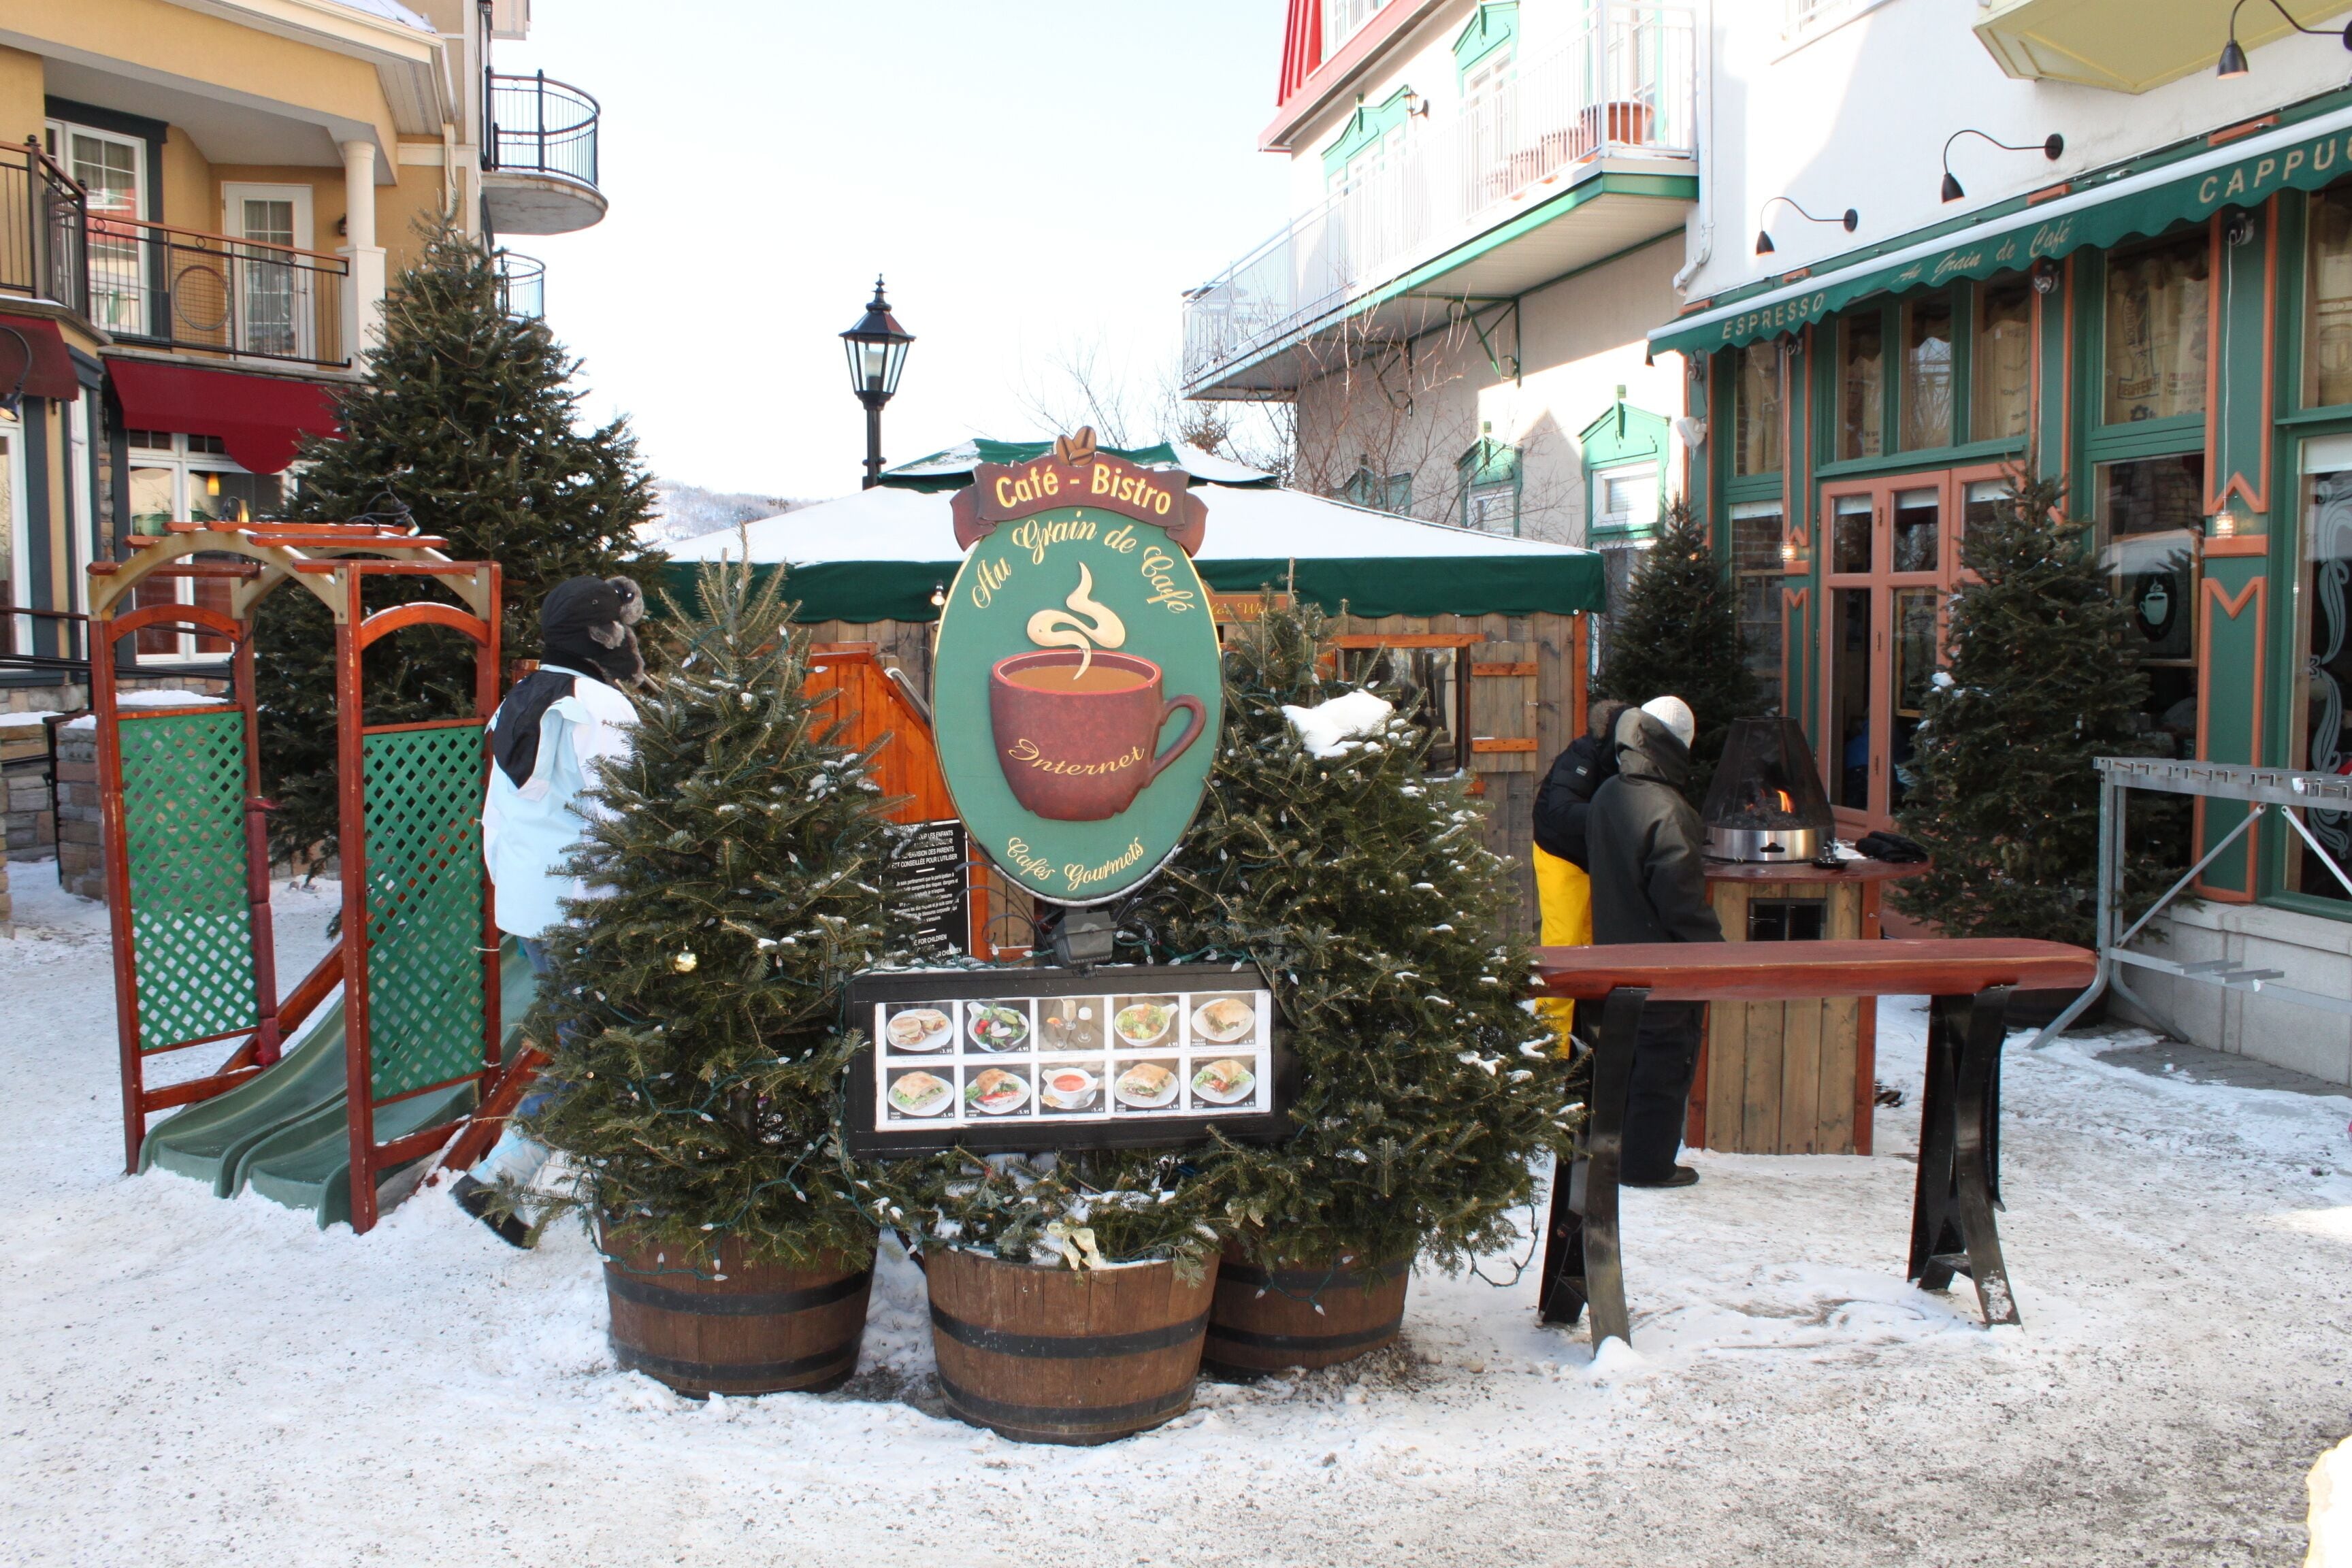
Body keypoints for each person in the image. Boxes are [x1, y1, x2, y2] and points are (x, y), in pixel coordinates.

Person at [453, 575, 645, 1245]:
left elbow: (495, 818)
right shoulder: (601, 708)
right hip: (585, 909)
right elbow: (619, 815)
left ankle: (510, 1183)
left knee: (587, 1047)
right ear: (604, 637)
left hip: (535, 909)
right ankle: (505, 1182)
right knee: (605, 1052)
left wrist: (519, 895)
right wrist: (614, 908)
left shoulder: (520, 699)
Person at [1584, 694, 1724, 1188]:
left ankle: (1612, 1155)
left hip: (1615, 954)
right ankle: (1647, 1166)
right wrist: (1716, 954)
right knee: (1664, 1064)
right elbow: (1680, 900)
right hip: (1665, 965)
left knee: (1624, 1061)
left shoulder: (1607, 794)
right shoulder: (1668, 809)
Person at [1529, 698, 1629, 1042]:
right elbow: (1559, 811)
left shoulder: (1625, 760)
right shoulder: (1581, 757)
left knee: (1592, 944)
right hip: (1561, 855)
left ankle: (1585, 1038)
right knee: (1563, 948)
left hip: (1594, 860)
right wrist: (1613, 814)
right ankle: (1548, 1047)